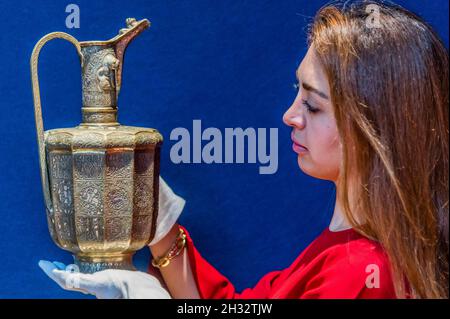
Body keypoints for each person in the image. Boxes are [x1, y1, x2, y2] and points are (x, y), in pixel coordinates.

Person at [39, 1, 449, 299]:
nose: (290, 115)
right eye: (297, 92)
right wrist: (160, 230)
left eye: (313, 104)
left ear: (373, 127)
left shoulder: (362, 274)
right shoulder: (343, 248)